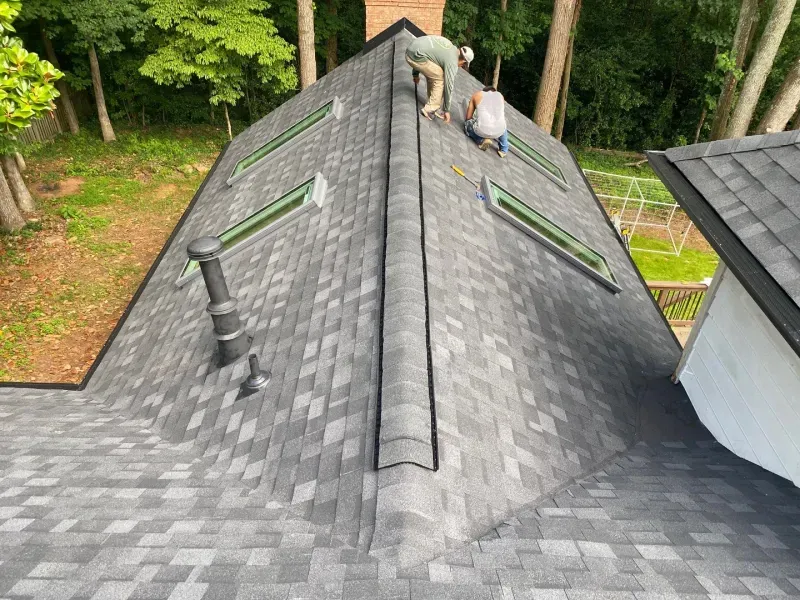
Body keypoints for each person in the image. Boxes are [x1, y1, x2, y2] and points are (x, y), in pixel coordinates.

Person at [405, 36, 474, 123]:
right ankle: (430, 109)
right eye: (463, 65)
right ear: (463, 61)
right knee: (440, 77)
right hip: (415, 57)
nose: (460, 66)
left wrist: (415, 75)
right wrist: (446, 110)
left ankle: (431, 102)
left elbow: (423, 50)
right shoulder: (452, 61)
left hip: (410, 51)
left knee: (435, 72)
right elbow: (448, 86)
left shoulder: (448, 45)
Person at [464, 86, 509, 158]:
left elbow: (468, 117)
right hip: (499, 130)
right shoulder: (500, 96)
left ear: (484, 92)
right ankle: (504, 150)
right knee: (502, 124)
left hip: (483, 130)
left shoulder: (477, 95)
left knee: (467, 124)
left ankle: (482, 140)